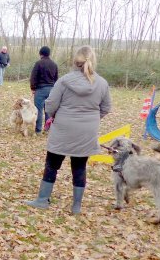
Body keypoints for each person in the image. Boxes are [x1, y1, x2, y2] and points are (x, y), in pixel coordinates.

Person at [25, 45, 111, 214]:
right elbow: (106, 107)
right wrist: (92, 118)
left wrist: (55, 115)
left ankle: (42, 200)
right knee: (79, 167)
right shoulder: (102, 83)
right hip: (87, 131)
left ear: (75, 60)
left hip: (63, 128)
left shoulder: (64, 81)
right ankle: (76, 206)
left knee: (52, 164)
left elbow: (50, 104)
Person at [30, 46, 58, 133]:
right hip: (52, 89)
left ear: (40, 53)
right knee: (48, 110)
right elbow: (56, 78)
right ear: (49, 54)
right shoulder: (54, 64)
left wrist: (33, 88)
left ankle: (38, 130)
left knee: (38, 110)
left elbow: (33, 76)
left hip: (40, 89)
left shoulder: (38, 63)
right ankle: (47, 129)